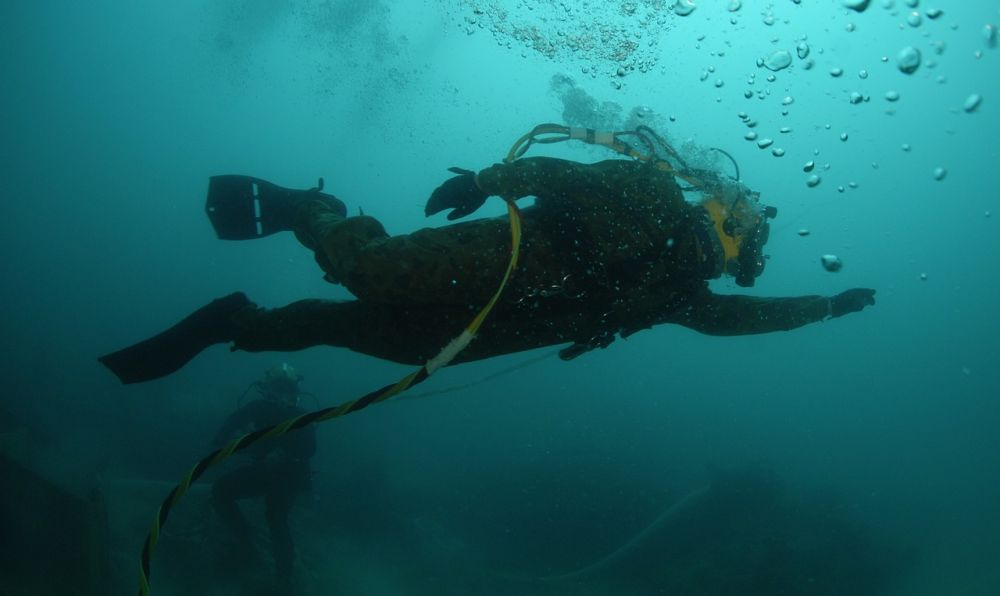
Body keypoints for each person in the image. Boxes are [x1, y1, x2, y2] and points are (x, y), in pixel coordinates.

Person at [98, 127, 875, 384]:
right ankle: (314, 209)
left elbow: (740, 320)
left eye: (738, 249)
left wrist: (826, 307)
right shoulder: (648, 192)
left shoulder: (677, 294)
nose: (727, 248)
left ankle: (243, 323)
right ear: (716, 205)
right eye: (734, 229)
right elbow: (561, 175)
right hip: (499, 253)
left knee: (356, 331)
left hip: (492, 327)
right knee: (369, 273)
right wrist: (486, 178)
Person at [211, 363, 315, 593]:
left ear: (294, 393)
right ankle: (246, 546)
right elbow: (234, 420)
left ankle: (284, 579)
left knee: (276, 517)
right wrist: (221, 440)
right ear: (267, 389)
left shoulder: (301, 417)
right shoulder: (258, 407)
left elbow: (309, 448)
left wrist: (285, 453)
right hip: (265, 473)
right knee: (221, 491)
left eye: (286, 390)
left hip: (290, 476)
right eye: (276, 389)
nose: (280, 396)